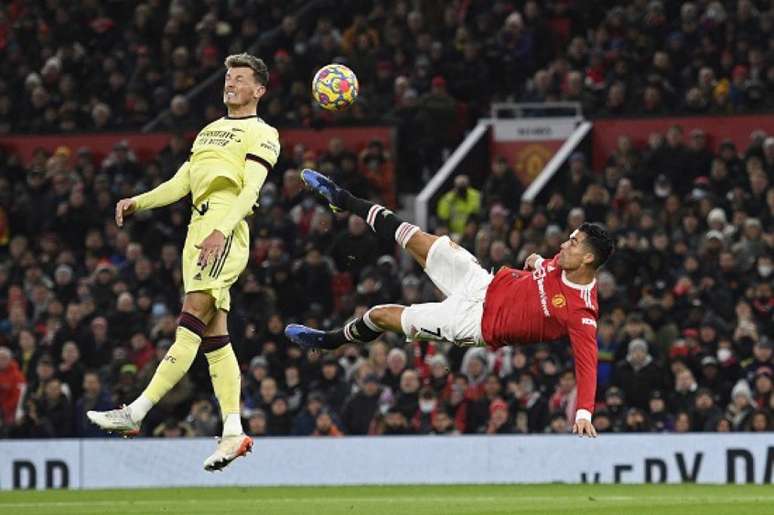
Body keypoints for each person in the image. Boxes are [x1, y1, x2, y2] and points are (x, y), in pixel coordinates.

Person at [285, 169, 615, 437]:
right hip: (481, 281)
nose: (564, 244)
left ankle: (329, 341)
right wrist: (537, 261)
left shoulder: (582, 312)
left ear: (587, 258)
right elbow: (546, 268)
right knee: (411, 234)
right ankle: (343, 199)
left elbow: (587, 364)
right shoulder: (563, 261)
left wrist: (584, 412)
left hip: (473, 322)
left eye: (572, 243)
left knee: (379, 315)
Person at [87, 53, 280, 471]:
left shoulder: (263, 133)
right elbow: (182, 182)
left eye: (240, 78)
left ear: (258, 90)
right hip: (199, 227)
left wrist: (222, 230)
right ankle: (232, 432)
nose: (230, 83)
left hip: (222, 226)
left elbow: (249, 193)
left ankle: (136, 411)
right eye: (228, 76)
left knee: (190, 318)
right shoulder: (210, 130)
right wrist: (139, 201)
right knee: (215, 338)